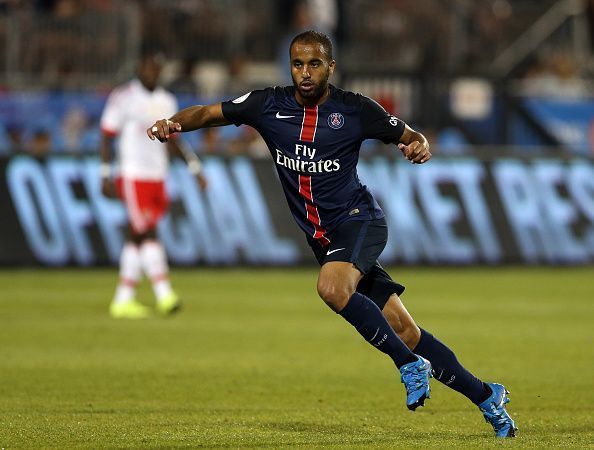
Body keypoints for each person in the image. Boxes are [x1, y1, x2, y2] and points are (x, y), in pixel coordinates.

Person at [147, 31, 517, 437]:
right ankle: (487, 397)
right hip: (325, 239)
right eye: (298, 64)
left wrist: (417, 146)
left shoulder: (355, 109)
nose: (305, 73)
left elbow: (411, 136)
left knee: (332, 288)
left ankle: (409, 365)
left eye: (314, 64)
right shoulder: (267, 104)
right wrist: (173, 123)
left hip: (360, 222)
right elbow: (207, 113)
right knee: (405, 331)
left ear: (330, 67)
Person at [100, 53, 207, 319]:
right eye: (146, 68)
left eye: (155, 69)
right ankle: (164, 294)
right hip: (133, 173)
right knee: (147, 232)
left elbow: (175, 140)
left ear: (160, 71)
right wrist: (105, 174)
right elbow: (106, 135)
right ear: (139, 69)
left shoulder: (166, 100)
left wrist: (194, 167)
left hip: (158, 175)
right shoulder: (123, 97)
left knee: (138, 235)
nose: (151, 73)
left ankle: (122, 299)